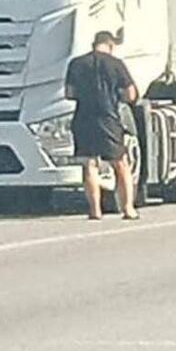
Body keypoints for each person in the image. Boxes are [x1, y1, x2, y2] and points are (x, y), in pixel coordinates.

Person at [64, 30, 140, 220]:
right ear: (111, 45)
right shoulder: (116, 64)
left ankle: (95, 211)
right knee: (120, 164)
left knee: (89, 164)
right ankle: (128, 208)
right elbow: (131, 95)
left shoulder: (76, 64)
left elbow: (69, 93)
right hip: (108, 118)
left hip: (83, 118)